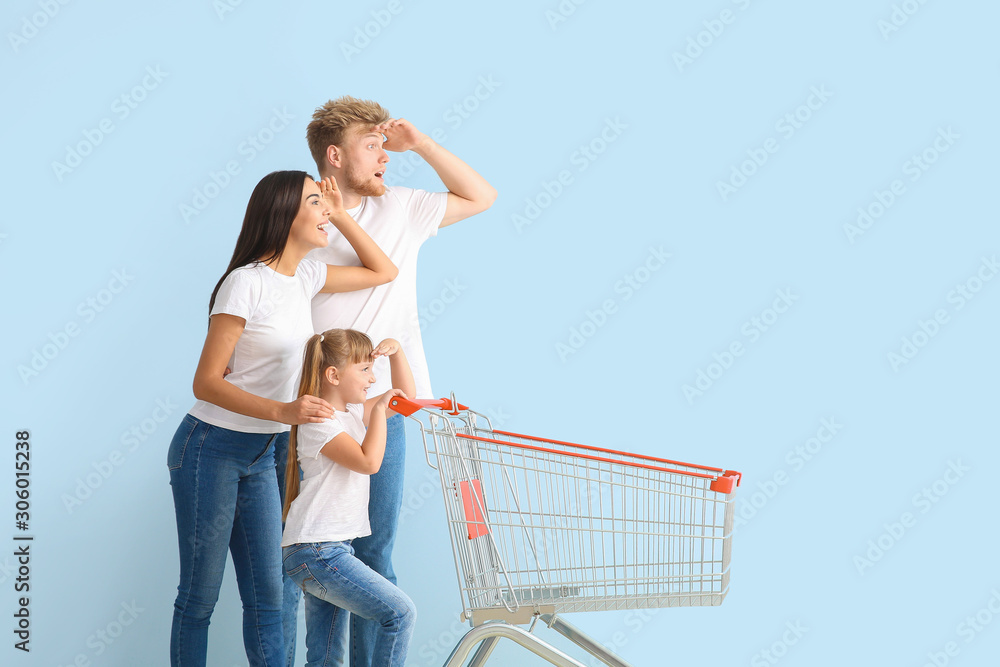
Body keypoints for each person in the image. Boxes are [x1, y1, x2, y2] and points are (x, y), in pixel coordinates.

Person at [167, 171, 397, 667]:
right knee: (200, 596)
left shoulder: (309, 276)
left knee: (269, 595)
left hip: (265, 451)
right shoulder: (245, 283)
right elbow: (205, 382)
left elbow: (383, 270)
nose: (327, 212)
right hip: (211, 446)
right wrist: (285, 412)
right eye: (316, 202)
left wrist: (338, 213)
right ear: (285, 214)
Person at [305, 96, 497, 666]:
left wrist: (424, 145)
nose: (386, 156)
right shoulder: (305, 212)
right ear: (335, 156)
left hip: (383, 409)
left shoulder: (404, 208)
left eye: (388, 146)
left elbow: (481, 196)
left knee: (373, 554)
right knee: (318, 551)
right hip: (314, 410)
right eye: (374, 145)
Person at [281, 330, 416, 667]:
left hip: (329, 549)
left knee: (326, 657)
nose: (373, 379)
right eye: (365, 370)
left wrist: (398, 354)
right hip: (317, 551)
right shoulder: (321, 423)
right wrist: (380, 410)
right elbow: (369, 462)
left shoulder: (352, 414)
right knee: (400, 614)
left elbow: (406, 402)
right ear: (334, 375)